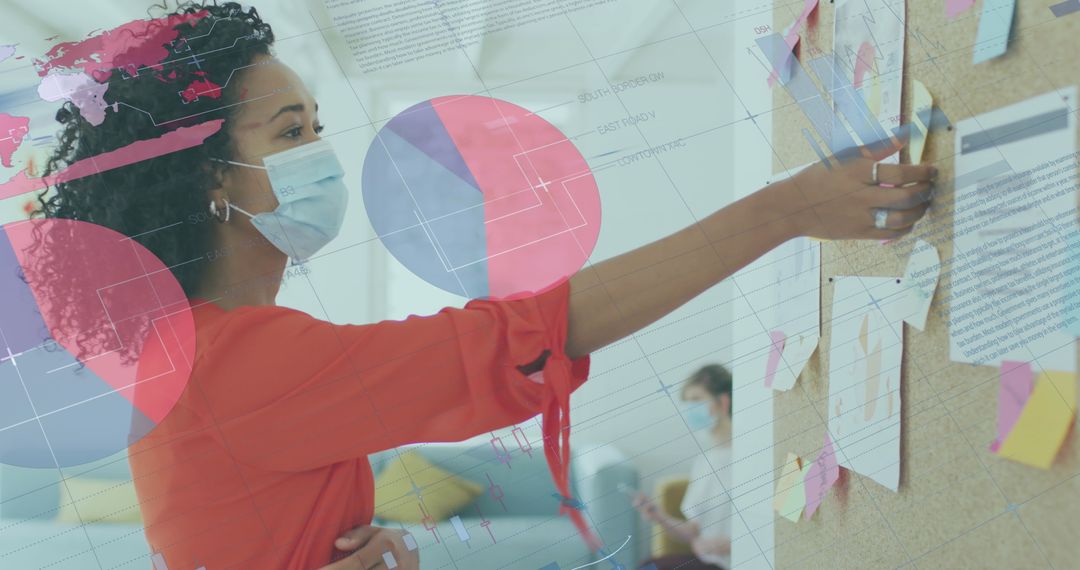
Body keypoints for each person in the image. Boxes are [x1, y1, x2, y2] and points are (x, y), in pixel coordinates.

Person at [29, 1, 935, 567]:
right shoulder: (233, 361)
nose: (321, 155)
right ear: (213, 179)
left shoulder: (193, 352)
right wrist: (781, 212)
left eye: (316, 127)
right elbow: (519, 340)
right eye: (291, 132)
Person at [633, 365, 735, 570]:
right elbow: (693, 531)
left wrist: (730, 544)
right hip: (708, 562)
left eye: (696, 400)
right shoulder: (706, 461)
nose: (691, 409)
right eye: (687, 403)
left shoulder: (748, 458)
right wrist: (658, 516)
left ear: (723, 402)